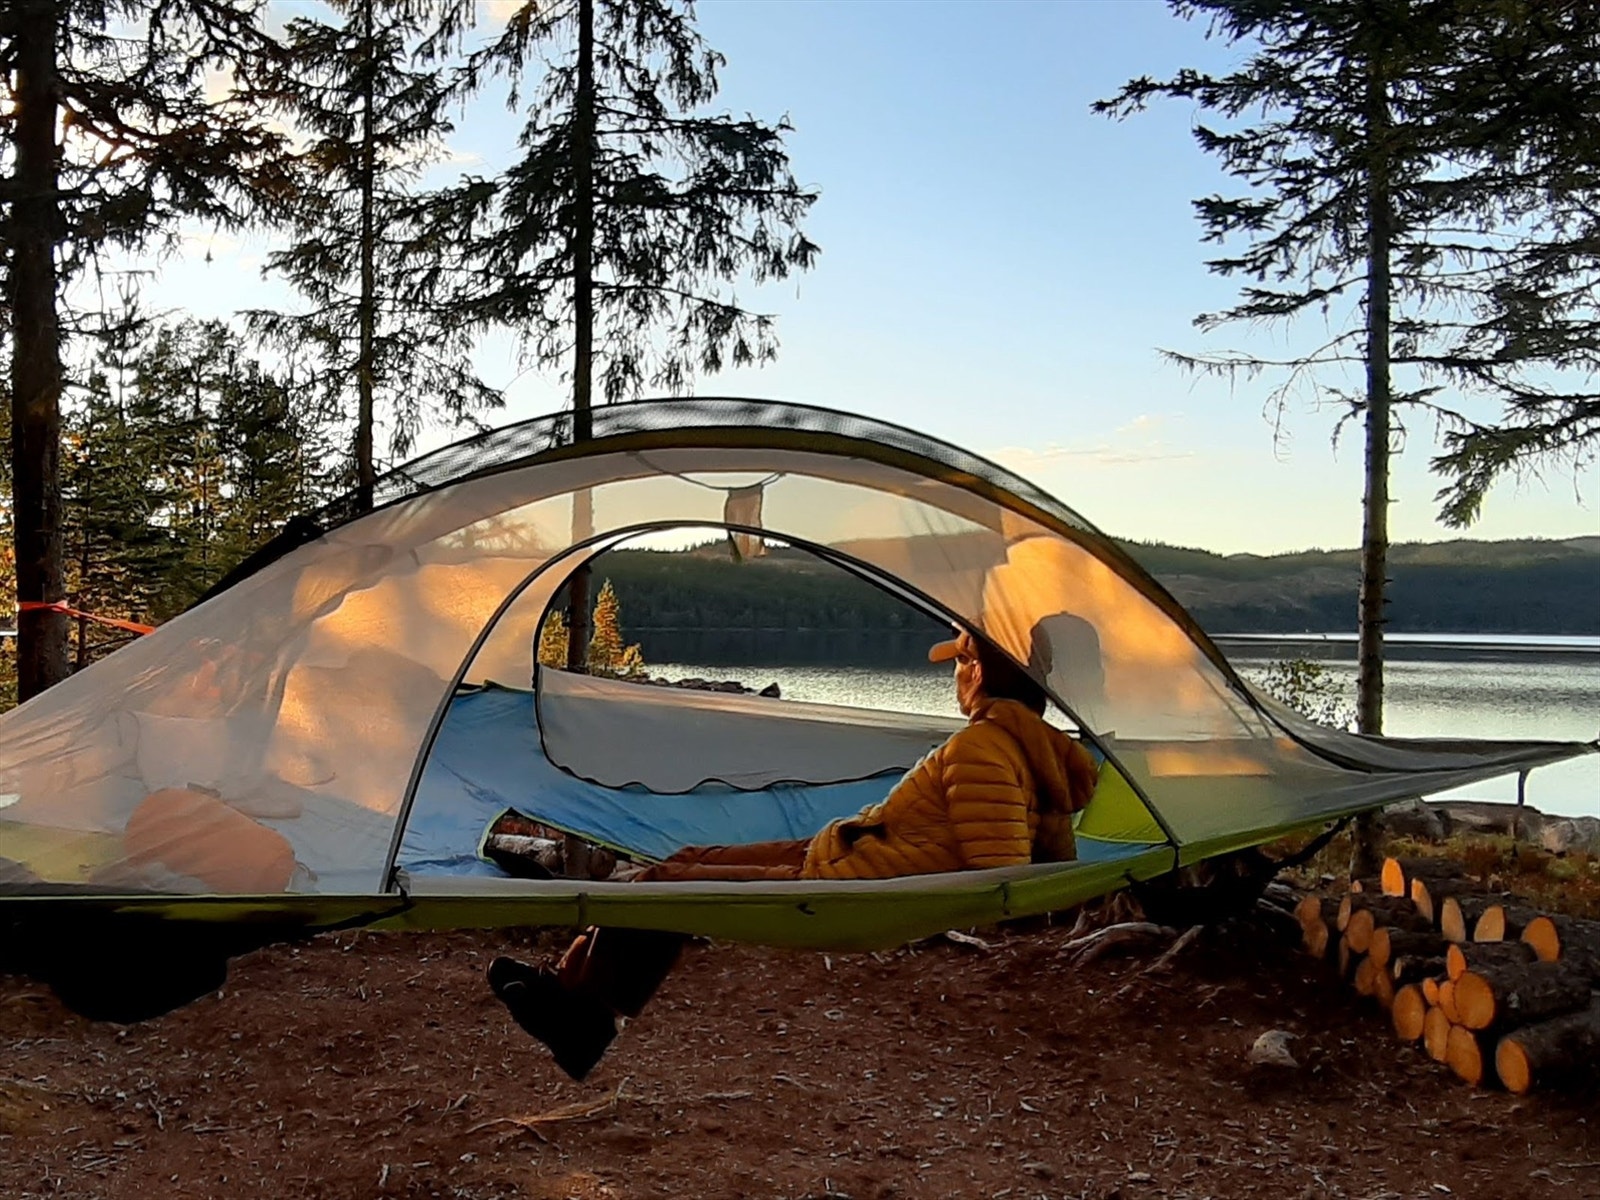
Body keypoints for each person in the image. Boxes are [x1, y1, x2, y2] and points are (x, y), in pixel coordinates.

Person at [487, 628, 1100, 1080]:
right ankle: (570, 993)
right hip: (839, 854)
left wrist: (914, 899)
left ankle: (584, 1025)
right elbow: (1049, 850)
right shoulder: (1029, 750)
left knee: (662, 887)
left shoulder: (984, 749)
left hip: (848, 885)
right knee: (682, 859)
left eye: (962, 659)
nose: (954, 674)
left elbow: (1002, 876)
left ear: (983, 671)